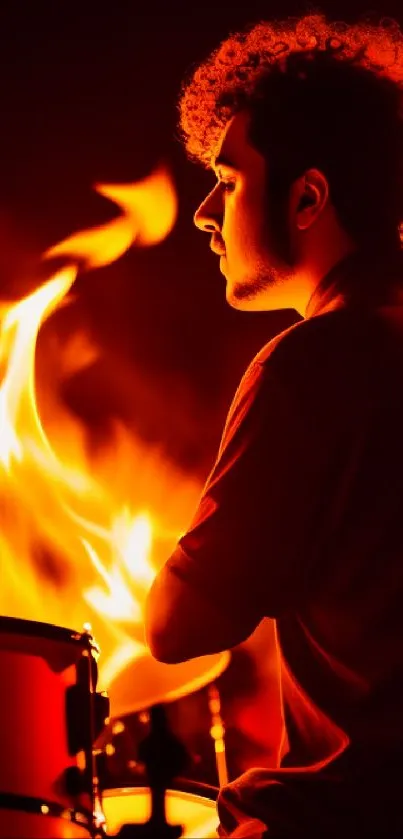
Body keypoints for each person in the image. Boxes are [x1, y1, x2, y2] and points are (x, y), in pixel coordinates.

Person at [145, 13, 403, 838]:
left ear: (306, 197)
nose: (204, 213)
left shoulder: (309, 364)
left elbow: (178, 625)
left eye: (228, 177)